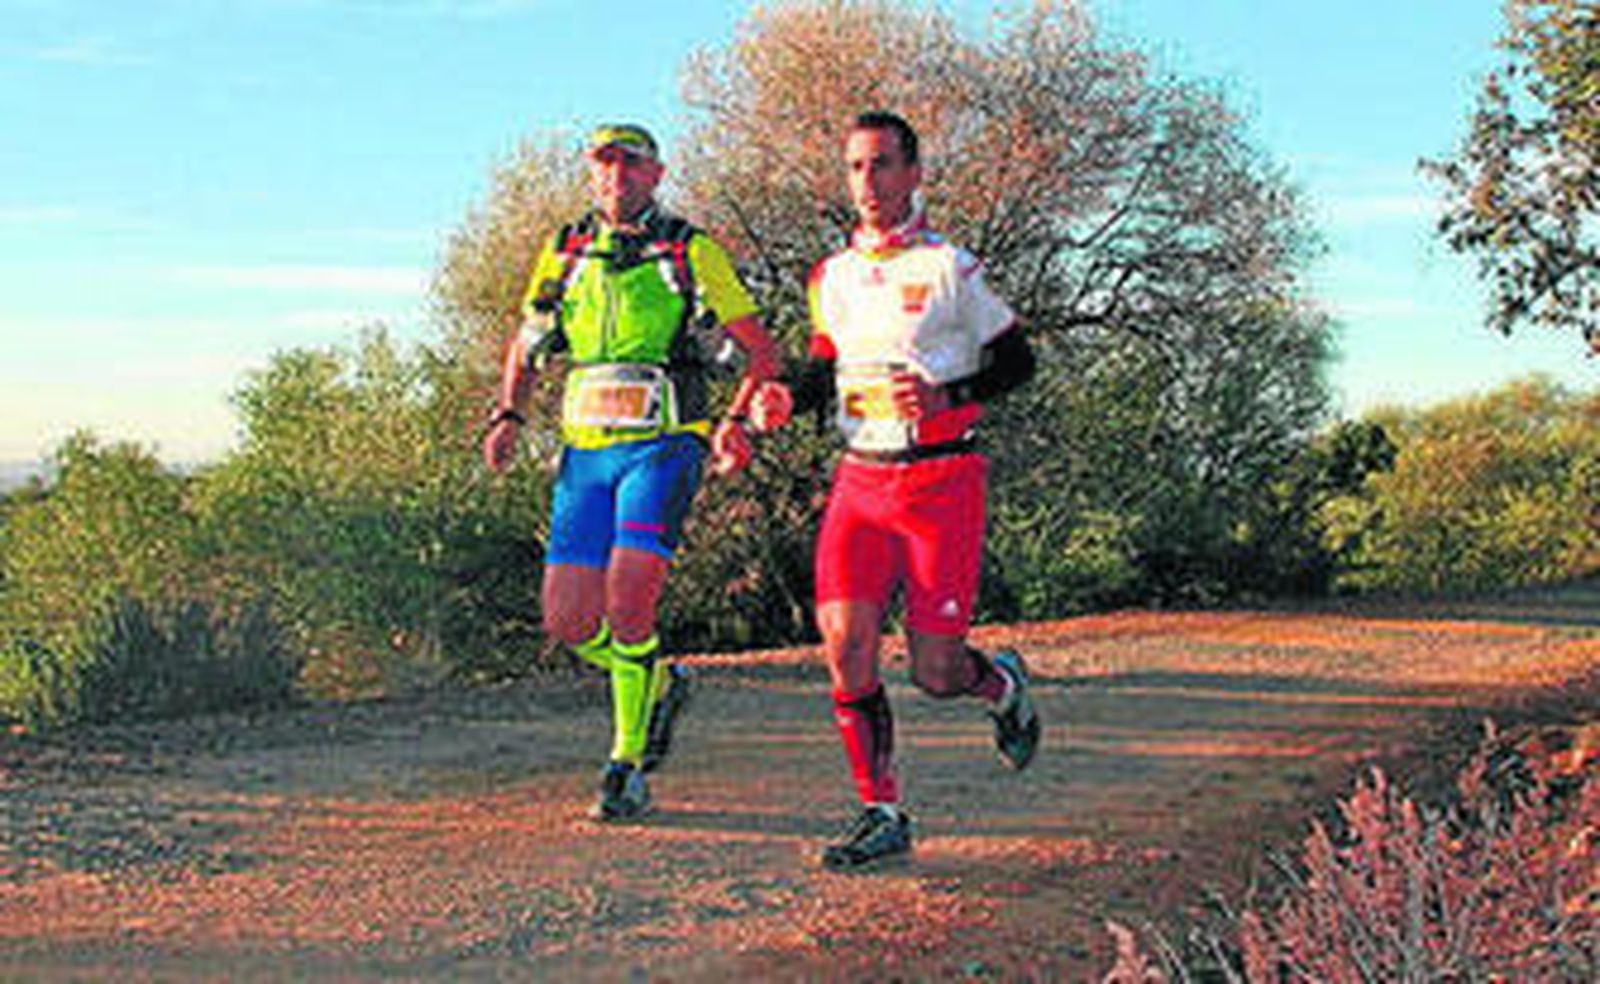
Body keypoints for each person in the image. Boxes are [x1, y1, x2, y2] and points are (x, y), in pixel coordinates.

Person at [483, 123, 789, 822]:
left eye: (631, 164)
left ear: (656, 174)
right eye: (605, 163)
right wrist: (508, 416)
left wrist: (734, 422)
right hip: (585, 450)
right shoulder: (564, 250)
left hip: (664, 442)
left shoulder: (688, 249)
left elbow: (761, 354)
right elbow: (526, 345)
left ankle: (625, 764)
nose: (616, 175)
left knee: (628, 600)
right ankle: (655, 679)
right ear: (592, 174)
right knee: (566, 620)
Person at [791, 110, 1042, 870]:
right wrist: (781, 398)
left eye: (882, 165)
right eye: (855, 168)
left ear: (914, 173)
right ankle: (882, 810)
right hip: (861, 481)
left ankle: (999, 685)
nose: (866, 182)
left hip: (942, 483)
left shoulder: (950, 268)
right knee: (845, 647)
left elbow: (1019, 362)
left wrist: (945, 394)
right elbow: (820, 369)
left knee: (936, 674)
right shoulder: (829, 276)